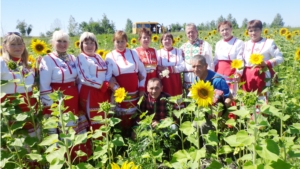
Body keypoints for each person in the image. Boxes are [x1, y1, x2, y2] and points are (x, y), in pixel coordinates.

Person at [39, 30, 92, 162]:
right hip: (57, 101)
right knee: (59, 130)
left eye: (64, 41)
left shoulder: (72, 58)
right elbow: (44, 86)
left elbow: (79, 77)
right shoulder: (47, 60)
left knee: (73, 129)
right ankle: (61, 161)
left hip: (73, 99)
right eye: (59, 41)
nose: (62, 44)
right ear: (52, 43)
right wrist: (52, 107)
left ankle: (75, 158)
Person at [1, 32, 40, 168]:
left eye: (19, 43)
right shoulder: (2, 63)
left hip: (29, 108)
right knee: (15, 145)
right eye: (13, 44)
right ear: (5, 46)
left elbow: (34, 85)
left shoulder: (27, 64)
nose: (17, 47)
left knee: (32, 144)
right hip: (11, 108)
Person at [106, 30, 147, 136]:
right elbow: (108, 77)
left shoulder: (133, 53)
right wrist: (117, 90)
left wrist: (142, 88)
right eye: (117, 41)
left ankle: (134, 139)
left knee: (135, 116)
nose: (120, 44)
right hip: (120, 94)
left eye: (122, 41)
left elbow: (142, 71)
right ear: (113, 42)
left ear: (126, 42)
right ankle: (124, 142)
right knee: (121, 119)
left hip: (135, 91)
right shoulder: (110, 56)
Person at [190, 54, 233, 153]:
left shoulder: (217, 80)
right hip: (203, 109)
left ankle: (212, 152)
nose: (196, 69)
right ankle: (199, 150)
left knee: (205, 126)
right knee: (194, 125)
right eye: (193, 66)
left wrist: (218, 111)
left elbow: (229, 98)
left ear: (206, 66)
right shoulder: (196, 79)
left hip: (217, 112)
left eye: (199, 66)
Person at [76, 32, 115, 132]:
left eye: (92, 43)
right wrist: (104, 84)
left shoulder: (98, 56)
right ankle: (94, 144)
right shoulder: (81, 58)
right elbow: (85, 77)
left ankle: (105, 143)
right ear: (81, 45)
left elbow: (106, 72)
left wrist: (109, 81)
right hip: (91, 93)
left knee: (104, 118)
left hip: (104, 91)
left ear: (96, 44)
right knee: (94, 120)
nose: (89, 46)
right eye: (86, 43)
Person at [242, 20, 283, 99]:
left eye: (256, 30)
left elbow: (280, 58)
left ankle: (260, 111)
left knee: (261, 98)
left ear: (261, 30)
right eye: (250, 31)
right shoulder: (245, 44)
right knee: (248, 98)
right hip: (247, 75)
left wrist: (266, 63)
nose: (253, 33)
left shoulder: (269, 43)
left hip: (262, 74)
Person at [180, 23, 214, 90]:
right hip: (187, 79)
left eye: (192, 32)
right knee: (188, 99)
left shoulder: (205, 45)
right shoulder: (182, 47)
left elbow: (210, 64)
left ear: (197, 32)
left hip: (202, 77)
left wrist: (210, 79)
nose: (191, 34)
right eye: (188, 32)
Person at [214, 21, 244, 96]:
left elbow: (240, 60)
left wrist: (238, 73)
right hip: (219, 73)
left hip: (232, 72)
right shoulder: (218, 43)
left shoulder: (238, 43)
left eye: (226, 29)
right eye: (222, 30)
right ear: (219, 32)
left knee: (231, 96)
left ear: (231, 29)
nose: (225, 32)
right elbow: (215, 60)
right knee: (219, 96)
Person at [156, 33, 185, 107]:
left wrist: (169, 69)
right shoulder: (158, 53)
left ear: (172, 41)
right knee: (165, 98)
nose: (167, 41)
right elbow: (156, 66)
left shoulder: (178, 51)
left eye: (169, 39)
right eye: (165, 39)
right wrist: (159, 71)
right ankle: (166, 113)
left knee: (177, 97)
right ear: (162, 41)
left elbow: (182, 66)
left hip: (175, 79)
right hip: (163, 80)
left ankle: (179, 114)